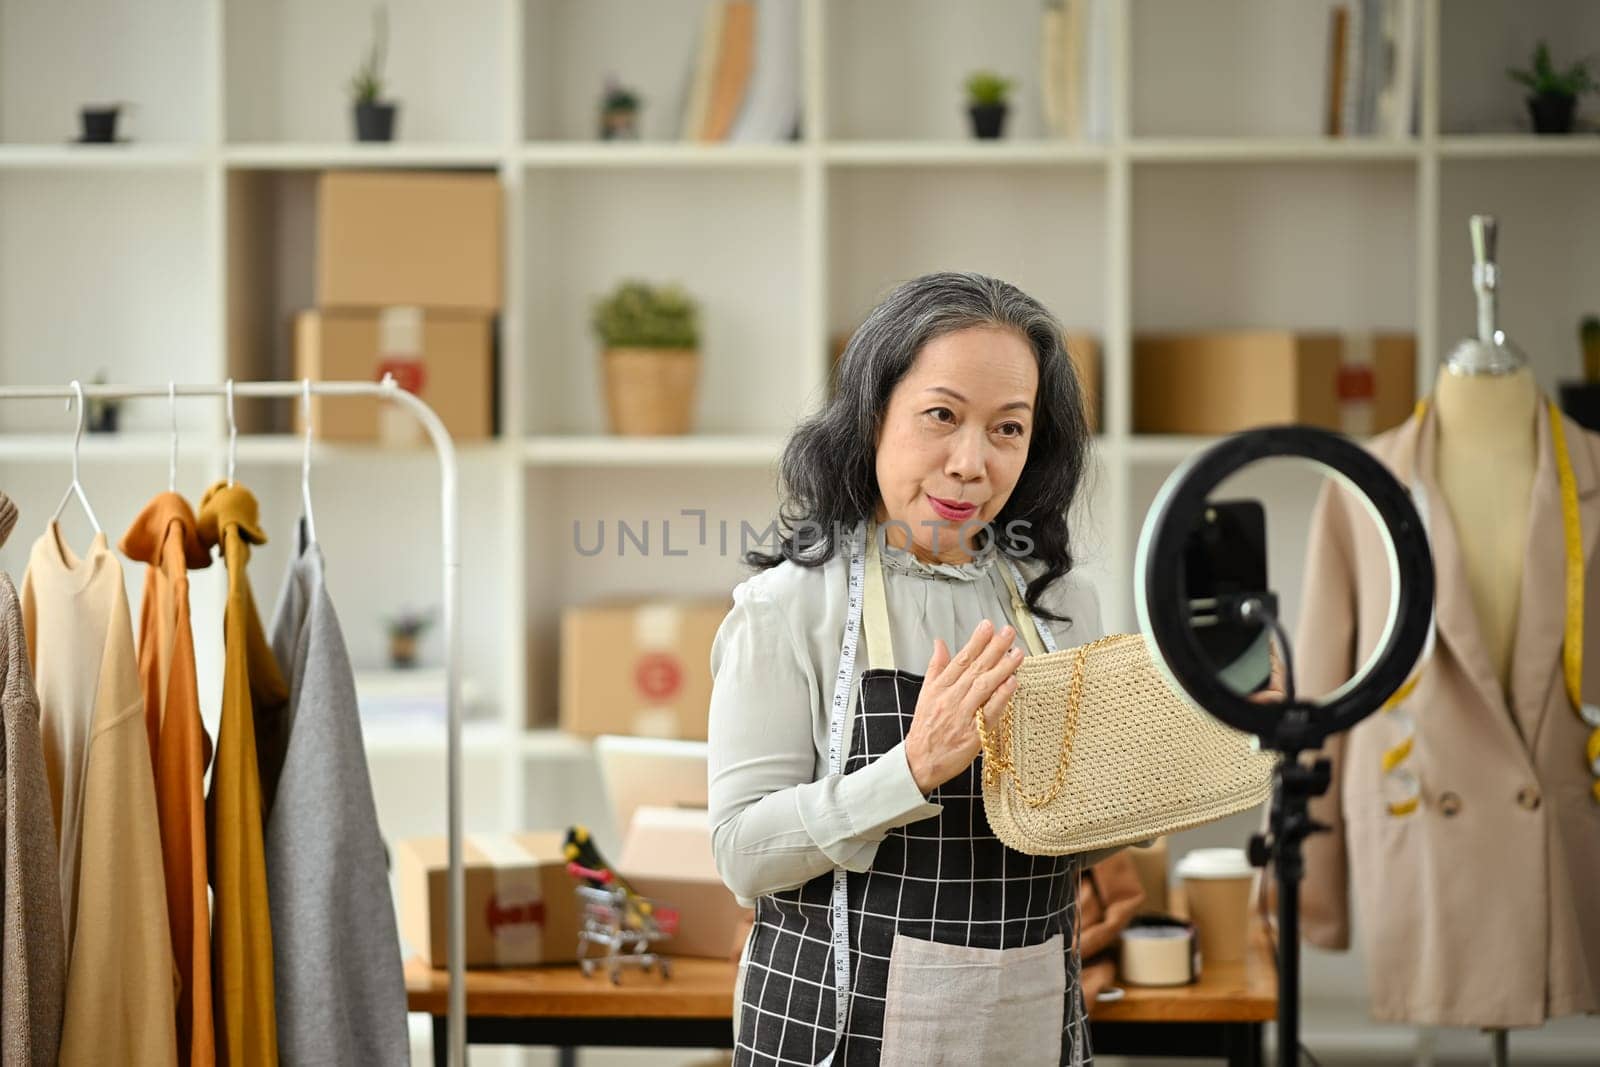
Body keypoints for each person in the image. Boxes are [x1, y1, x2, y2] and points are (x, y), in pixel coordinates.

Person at [709, 271, 1107, 1065]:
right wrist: (912, 768)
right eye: (942, 416)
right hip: (833, 1032)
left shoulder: (1062, 606)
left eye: (1008, 429)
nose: (971, 462)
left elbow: (1073, 839)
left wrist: (1194, 741)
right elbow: (740, 853)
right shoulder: (787, 610)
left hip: (1023, 1023)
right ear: (872, 415)